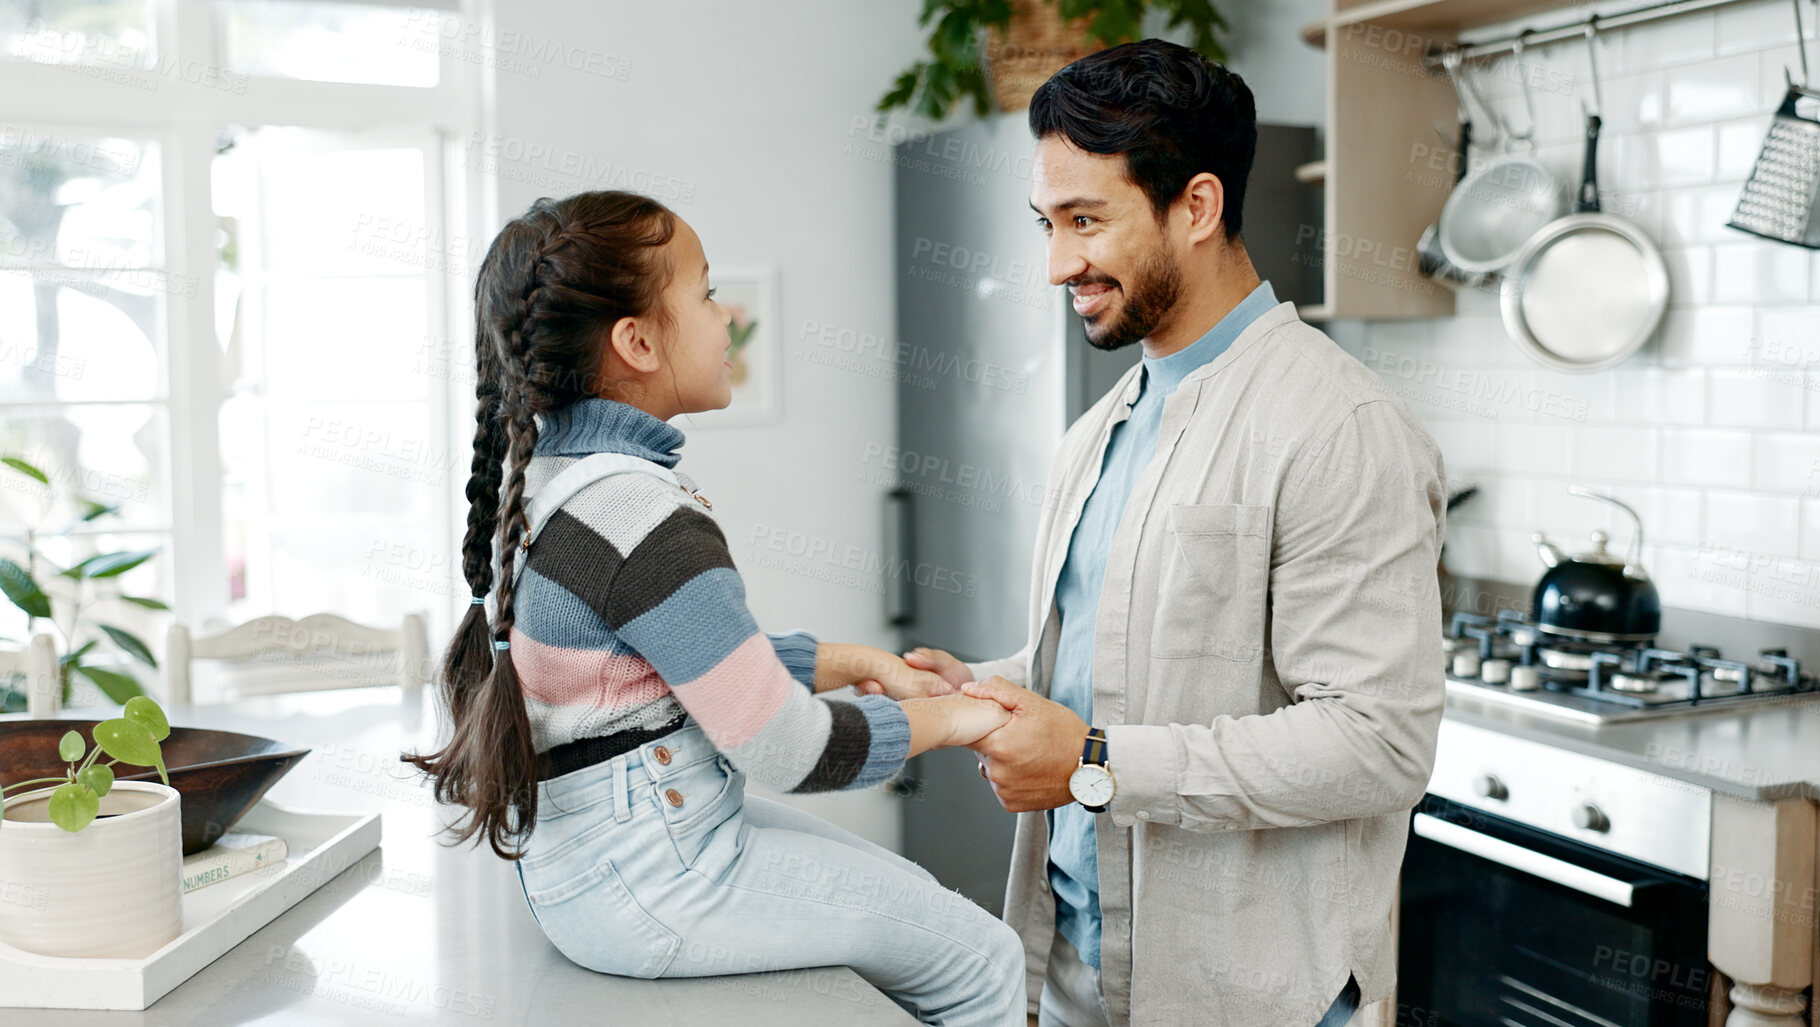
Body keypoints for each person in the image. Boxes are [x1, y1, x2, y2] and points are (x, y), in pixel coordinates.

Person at [890, 40, 1448, 1027]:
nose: (1058, 262)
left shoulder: (1338, 424)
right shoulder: (1101, 429)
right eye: (1047, 224)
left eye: (1086, 220)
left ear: (1196, 207)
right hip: (1077, 977)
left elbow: (1378, 741)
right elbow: (1126, 647)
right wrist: (980, 686)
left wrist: (1096, 757)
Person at [403, 190, 1026, 1026]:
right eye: (703, 293)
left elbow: (676, 659)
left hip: (594, 868)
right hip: (655, 879)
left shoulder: (559, 480)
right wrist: (961, 719)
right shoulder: (639, 513)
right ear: (637, 340)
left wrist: (857, 662)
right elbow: (787, 747)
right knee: (985, 957)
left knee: (916, 905)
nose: (726, 314)